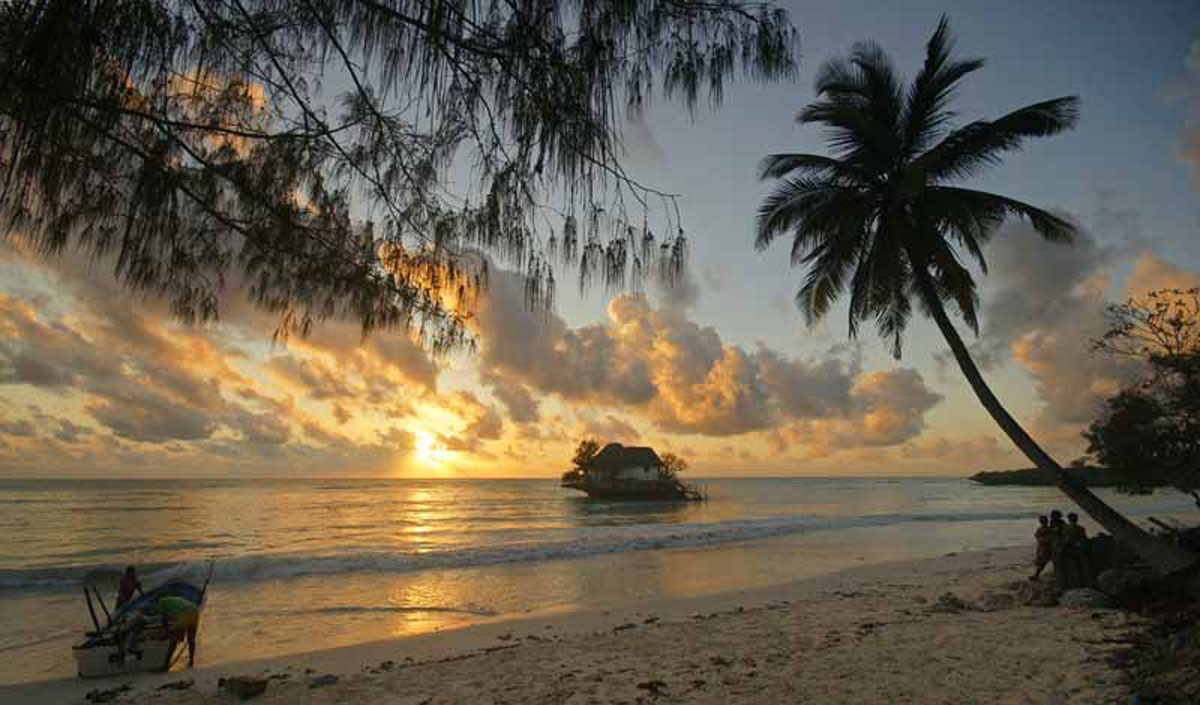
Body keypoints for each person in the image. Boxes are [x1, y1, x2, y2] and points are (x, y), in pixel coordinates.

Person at [157, 595, 201, 668]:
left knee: (174, 640)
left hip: (185, 613)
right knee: (191, 639)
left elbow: (164, 620)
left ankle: (165, 664)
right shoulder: (174, 599)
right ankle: (191, 661)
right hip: (195, 610)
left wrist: (166, 633)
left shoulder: (161, 602)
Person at [1062, 513, 1091, 589]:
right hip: (1071, 551)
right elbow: (1064, 540)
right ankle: (1078, 586)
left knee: (1082, 570)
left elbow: (1084, 539)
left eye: (1074, 518)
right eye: (1072, 518)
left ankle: (1081, 585)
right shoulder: (1066, 529)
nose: (1073, 520)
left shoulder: (1079, 528)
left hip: (1078, 551)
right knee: (1075, 571)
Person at [1030, 515, 1054, 581]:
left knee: (1042, 562)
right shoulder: (1042, 529)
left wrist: (1042, 537)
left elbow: (1048, 538)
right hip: (1042, 547)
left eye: (1043, 521)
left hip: (1047, 548)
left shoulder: (1048, 529)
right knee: (1042, 562)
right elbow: (1036, 535)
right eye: (1042, 521)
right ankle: (1036, 575)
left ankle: (1036, 575)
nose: (1042, 522)